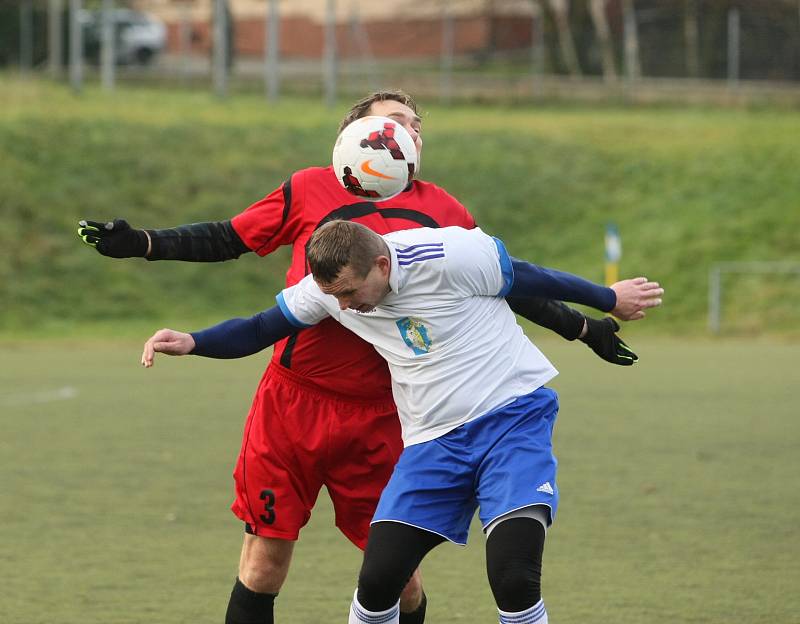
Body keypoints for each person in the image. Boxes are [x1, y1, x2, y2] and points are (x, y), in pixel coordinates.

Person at [78, 90, 638, 624]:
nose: (406, 131)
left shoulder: (441, 212)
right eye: (392, 119)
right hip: (293, 404)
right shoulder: (308, 190)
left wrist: (583, 326)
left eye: (414, 124)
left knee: (396, 578)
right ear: (355, 134)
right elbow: (231, 238)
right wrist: (145, 244)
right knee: (264, 560)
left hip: (386, 416)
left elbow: (509, 283)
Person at [140, 220, 664, 624]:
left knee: (513, 575)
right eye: (335, 297)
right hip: (431, 442)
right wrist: (194, 342)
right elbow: (259, 327)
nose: (342, 307)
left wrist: (606, 299)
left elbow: (528, 279)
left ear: (382, 266)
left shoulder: (452, 253)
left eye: (350, 293)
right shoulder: (329, 291)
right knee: (379, 579)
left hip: (511, 419)